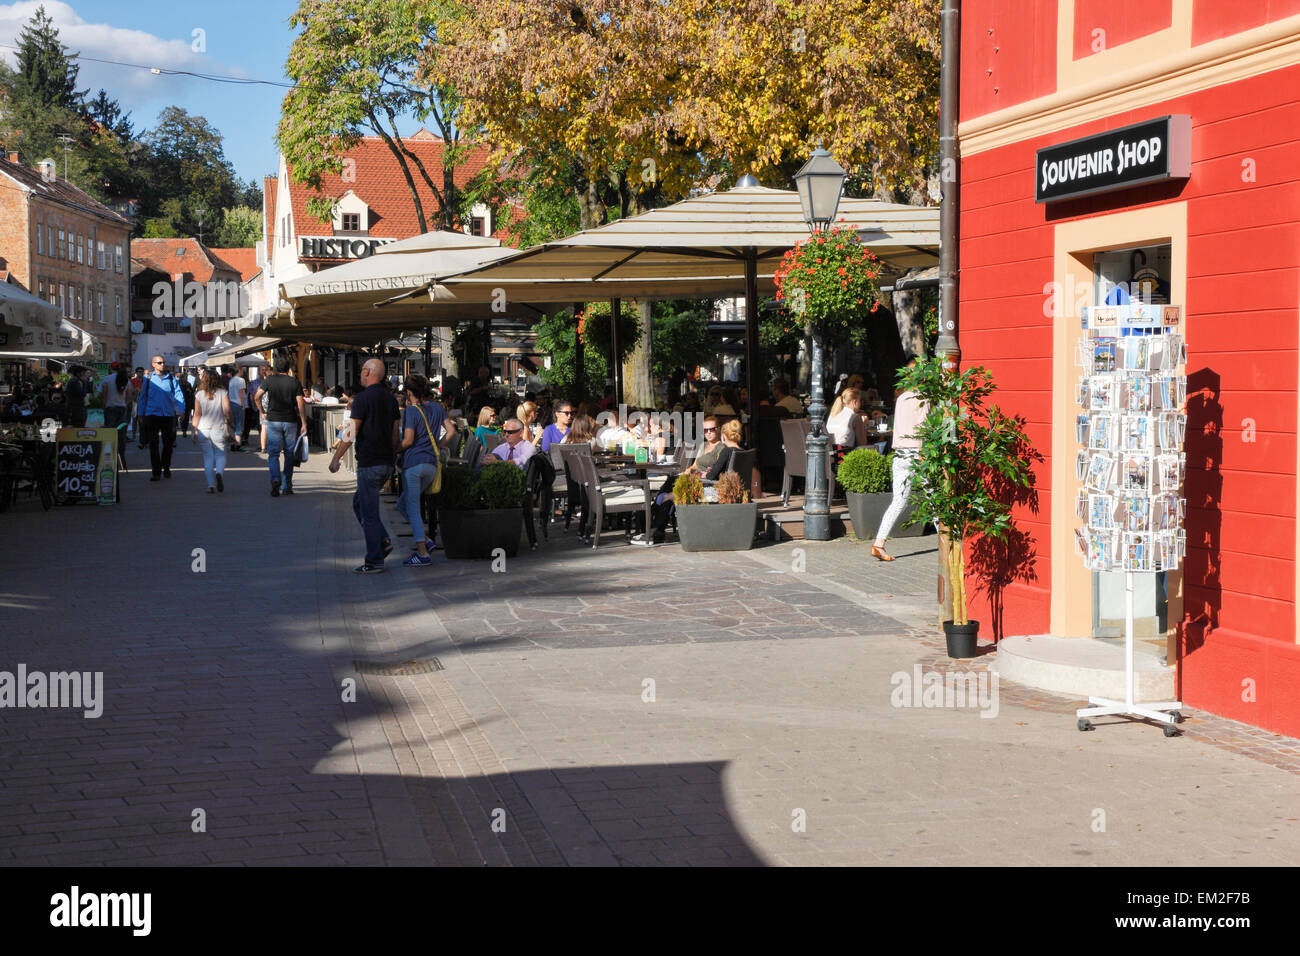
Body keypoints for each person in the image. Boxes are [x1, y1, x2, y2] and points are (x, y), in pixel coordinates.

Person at [329, 358, 400, 574]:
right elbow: (395, 436)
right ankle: (383, 540)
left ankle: (374, 561)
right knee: (359, 504)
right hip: (386, 462)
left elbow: (350, 433)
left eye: (362, 370)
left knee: (368, 513)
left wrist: (336, 458)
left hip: (370, 463)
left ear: (368, 372)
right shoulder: (391, 400)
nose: (360, 373)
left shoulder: (361, 399)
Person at [638, 414, 734, 544]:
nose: (708, 433)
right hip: (695, 479)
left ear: (718, 429)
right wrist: (689, 470)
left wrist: (695, 475)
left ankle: (652, 528)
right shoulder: (703, 445)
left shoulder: (721, 449)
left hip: (706, 486)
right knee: (670, 486)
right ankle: (655, 530)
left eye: (711, 429)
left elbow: (714, 473)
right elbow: (695, 464)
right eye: (705, 430)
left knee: (670, 495)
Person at [872, 367, 928, 562]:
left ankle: (879, 543)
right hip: (916, 453)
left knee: (898, 501)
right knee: (934, 499)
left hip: (899, 454)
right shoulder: (924, 398)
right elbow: (922, 428)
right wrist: (922, 453)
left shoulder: (902, 398)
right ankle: (950, 545)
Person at [398, 374, 453, 567]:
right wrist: (438, 446)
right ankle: (426, 542)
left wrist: (393, 448)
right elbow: (452, 431)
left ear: (409, 392)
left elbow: (408, 441)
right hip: (431, 464)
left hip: (413, 464)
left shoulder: (411, 411)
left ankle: (422, 553)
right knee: (403, 504)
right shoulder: (437, 407)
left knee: (411, 507)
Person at [261, 356, 308, 496]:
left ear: (276, 367)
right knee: (289, 453)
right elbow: (300, 403)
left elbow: (257, 396)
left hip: (273, 420)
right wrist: (304, 422)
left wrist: (262, 411)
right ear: (288, 368)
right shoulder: (294, 382)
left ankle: (275, 479)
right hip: (290, 421)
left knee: (273, 454)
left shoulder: (269, 380)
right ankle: (287, 485)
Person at [138, 355, 186, 480]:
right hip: (152, 415)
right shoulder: (148, 378)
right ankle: (156, 472)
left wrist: (181, 410)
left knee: (168, 444)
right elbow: (143, 397)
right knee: (153, 444)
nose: (162, 364)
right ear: (153, 364)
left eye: (163, 362)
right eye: (159, 363)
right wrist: (140, 414)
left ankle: (166, 467)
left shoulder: (170, 378)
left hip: (168, 415)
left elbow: (178, 393)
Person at [192, 367, 232, 494]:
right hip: (218, 428)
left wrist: (193, 431)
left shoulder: (199, 394)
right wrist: (230, 422)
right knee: (220, 454)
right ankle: (219, 473)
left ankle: (210, 486)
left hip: (203, 429)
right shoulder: (223, 392)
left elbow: (197, 414)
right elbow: (227, 411)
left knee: (208, 457)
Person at [826, 386, 869, 468]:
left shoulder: (833, 414)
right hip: (843, 458)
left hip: (829, 457)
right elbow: (863, 443)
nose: (861, 404)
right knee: (877, 448)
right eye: (860, 401)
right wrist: (863, 424)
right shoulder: (854, 416)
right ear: (854, 402)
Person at [100, 365, 129, 430]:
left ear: (111, 368)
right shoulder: (125, 379)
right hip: (122, 408)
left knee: (110, 430)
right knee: (121, 430)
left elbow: (103, 394)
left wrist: (103, 405)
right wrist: (125, 404)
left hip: (110, 407)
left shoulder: (106, 378)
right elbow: (129, 395)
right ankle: (121, 440)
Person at [227, 366, 247, 451]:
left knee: (233, 424)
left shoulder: (231, 380)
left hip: (231, 403)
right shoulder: (241, 380)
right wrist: (243, 405)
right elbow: (242, 394)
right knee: (239, 424)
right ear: (239, 370)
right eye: (242, 369)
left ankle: (232, 444)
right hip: (238, 404)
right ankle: (238, 445)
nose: (243, 371)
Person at [176, 372, 195, 437]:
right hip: (185, 403)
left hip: (183, 403)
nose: (186, 378)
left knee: (184, 417)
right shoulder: (182, 384)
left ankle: (183, 429)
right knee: (186, 417)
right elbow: (191, 394)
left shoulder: (183, 384)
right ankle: (184, 430)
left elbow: (191, 393)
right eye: (186, 377)